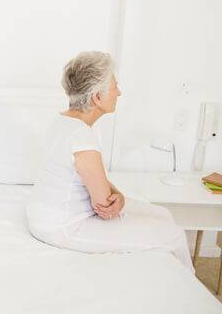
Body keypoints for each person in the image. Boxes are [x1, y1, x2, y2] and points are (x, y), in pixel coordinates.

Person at [26, 51, 193, 271]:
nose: (119, 92)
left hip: (42, 217)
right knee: (174, 235)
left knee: (163, 214)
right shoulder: (82, 138)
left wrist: (117, 194)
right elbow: (105, 205)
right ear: (97, 97)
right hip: (63, 227)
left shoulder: (61, 122)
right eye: (115, 86)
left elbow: (90, 178)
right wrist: (119, 199)